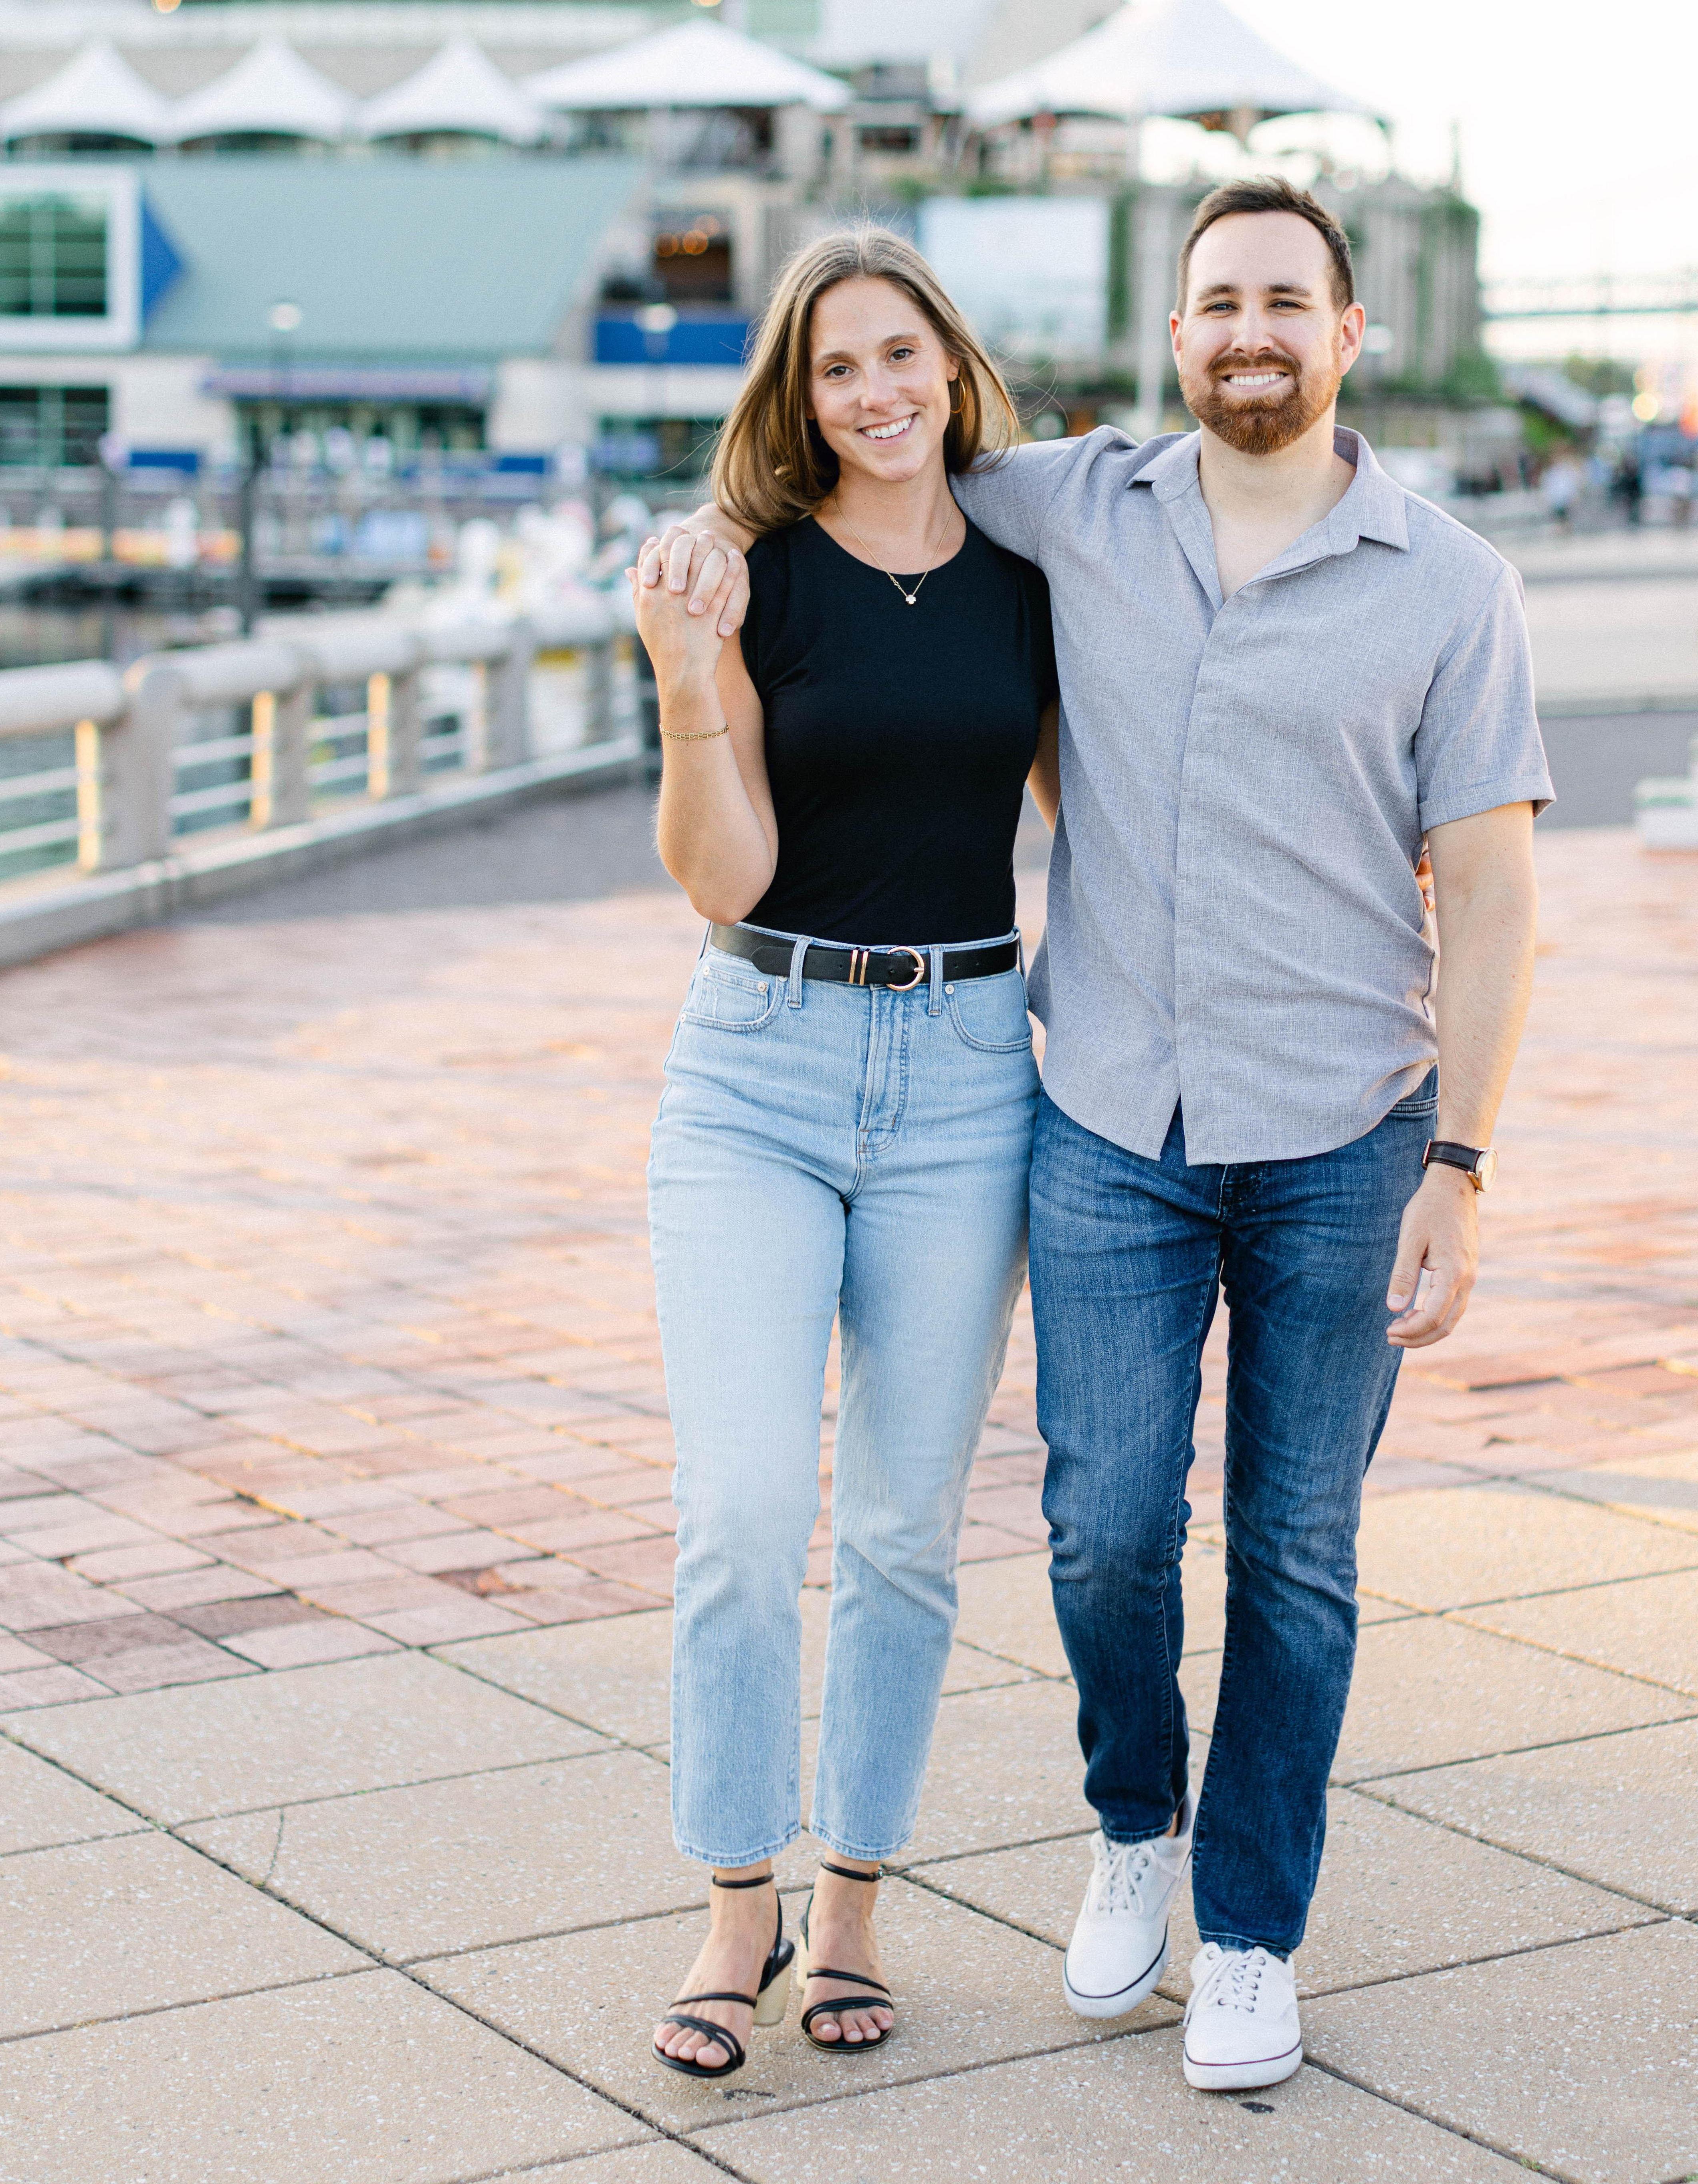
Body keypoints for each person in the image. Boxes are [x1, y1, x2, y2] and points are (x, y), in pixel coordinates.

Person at [647, 175, 1548, 2095]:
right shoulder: (1074, 506)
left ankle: (1243, 1932)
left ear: (1345, 333)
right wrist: (692, 576)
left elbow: (1490, 888)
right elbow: (854, 491)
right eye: (1219, 301)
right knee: (1092, 1530)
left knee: (1289, 1552)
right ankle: (1108, 1827)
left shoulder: (1447, 583)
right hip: (1085, 1111)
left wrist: (1461, 1164)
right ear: (1175, 333)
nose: (1250, 333)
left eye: (1285, 302)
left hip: (1329, 1124)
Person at [628, 226, 1058, 2083]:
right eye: (835, 368)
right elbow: (720, 874)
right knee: (738, 1511)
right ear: (797, 401)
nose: (875, 393)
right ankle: (738, 1900)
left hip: (967, 1072)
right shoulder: (752, 580)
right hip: (759, 1064)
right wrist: (684, 665)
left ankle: (858, 1896)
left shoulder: (1034, 577)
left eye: (900, 354)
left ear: (951, 364)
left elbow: (1106, 810)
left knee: (898, 1529)